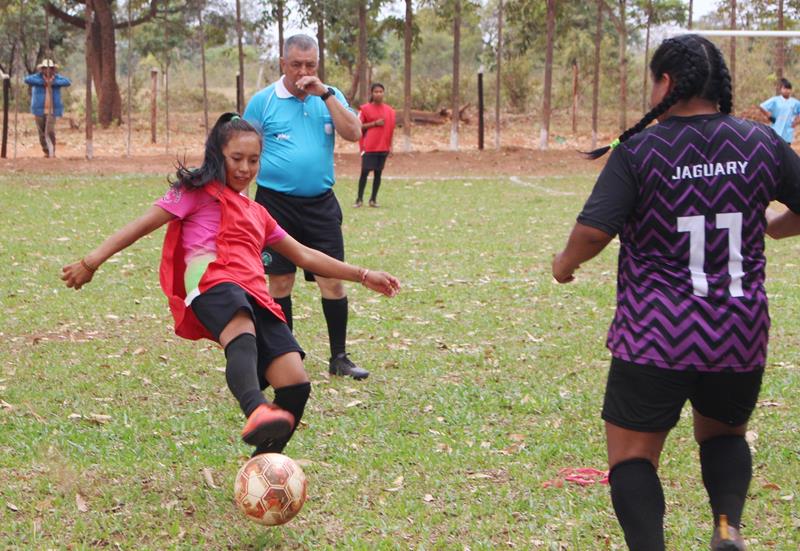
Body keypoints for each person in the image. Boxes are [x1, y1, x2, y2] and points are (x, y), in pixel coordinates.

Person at [552, 35, 800, 551]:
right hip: (738, 331)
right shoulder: (760, 143)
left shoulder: (643, 149)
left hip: (656, 335)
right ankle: (727, 526)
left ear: (666, 83)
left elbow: (596, 231)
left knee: (632, 456)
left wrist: (565, 264)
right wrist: (776, 226)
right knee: (725, 436)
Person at [61, 113, 400, 457]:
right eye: (236, 158)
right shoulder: (193, 193)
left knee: (296, 382)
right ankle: (255, 408)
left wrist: (362, 274)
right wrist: (91, 261)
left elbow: (305, 255)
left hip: (254, 294)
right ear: (217, 155)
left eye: (253, 160)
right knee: (240, 322)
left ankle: (264, 467)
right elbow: (139, 226)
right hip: (211, 281)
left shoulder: (259, 213)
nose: (245, 168)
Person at [244, 34, 371, 380]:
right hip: (274, 205)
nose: (303, 71)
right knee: (280, 282)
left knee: (332, 280)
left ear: (317, 64)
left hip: (321, 206)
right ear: (283, 64)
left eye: (310, 65)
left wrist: (326, 95)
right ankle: (286, 357)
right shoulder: (263, 102)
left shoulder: (330, 97)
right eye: (296, 64)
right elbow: (240, 150)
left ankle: (339, 358)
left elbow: (354, 133)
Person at [356, 82, 396, 208]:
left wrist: (391, 147)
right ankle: (359, 199)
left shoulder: (390, 111)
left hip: (383, 147)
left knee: (378, 174)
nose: (378, 94)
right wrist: (374, 124)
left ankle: (373, 199)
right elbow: (358, 126)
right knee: (365, 172)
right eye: (376, 92)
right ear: (372, 94)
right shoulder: (364, 109)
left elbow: (391, 130)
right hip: (369, 147)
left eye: (380, 91)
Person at [24, 59, 71, 158]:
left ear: (53, 69)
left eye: (50, 68)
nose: (48, 70)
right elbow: (27, 79)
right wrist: (43, 82)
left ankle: (51, 150)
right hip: (39, 109)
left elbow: (67, 82)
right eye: (46, 68)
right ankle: (46, 150)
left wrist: (52, 83)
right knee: (41, 132)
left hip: (52, 110)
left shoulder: (57, 78)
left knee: (49, 130)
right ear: (42, 69)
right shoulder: (37, 78)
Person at [758, 78, 800, 144]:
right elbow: (762, 106)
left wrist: (796, 122)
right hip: (776, 129)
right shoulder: (775, 100)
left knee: (786, 150)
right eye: (785, 88)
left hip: (787, 132)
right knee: (775, 150)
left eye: (789, 88)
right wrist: (769, 116)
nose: (787, 90)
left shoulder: (795, 102)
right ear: (781, 90)